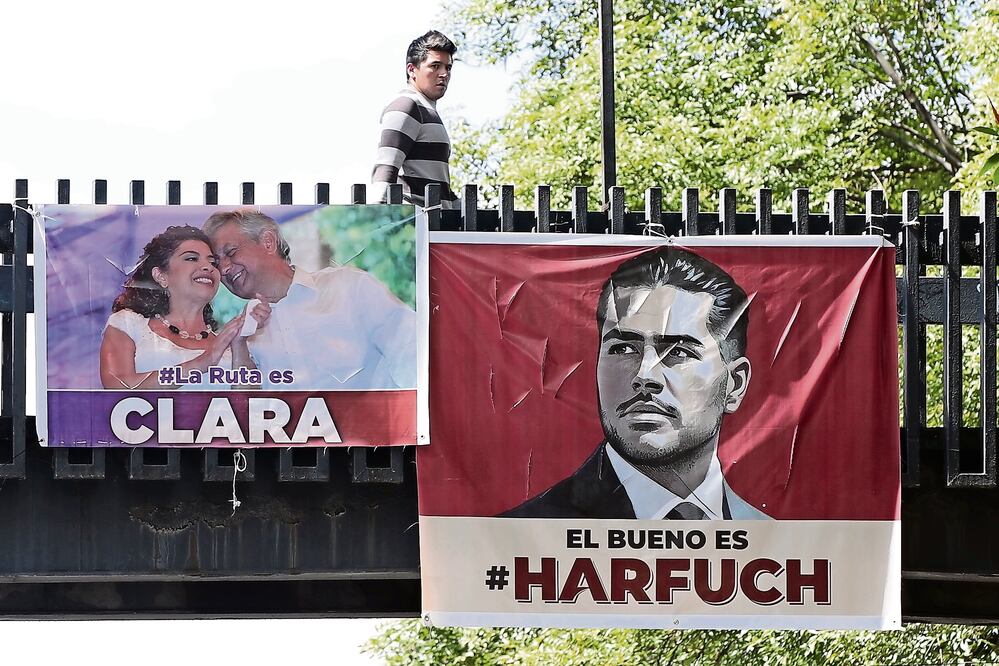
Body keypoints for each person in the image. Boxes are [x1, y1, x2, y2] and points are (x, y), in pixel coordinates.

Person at [503, 246, 771, 520]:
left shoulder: (777, 542)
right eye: (623, 349)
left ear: (734, 385)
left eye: (679, 352)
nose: (645, 375)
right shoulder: (523, 534)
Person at [203, 209, 416, 390]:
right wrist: (239, 345)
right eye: (216, 263)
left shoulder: (348, 287)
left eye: (231, 252)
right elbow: (245, 418)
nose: (224, 268)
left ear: (268, 242)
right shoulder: (240, 336)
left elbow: (412, 355)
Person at [99, 225, 266, 390]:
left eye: (213, 262)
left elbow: (248, 409)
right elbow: (117, 388)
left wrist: (238, 343)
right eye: (192, 258)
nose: (208, 267)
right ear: (161, 276)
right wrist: (205, 361)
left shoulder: (227, 344)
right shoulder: (128, 323)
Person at [371, 29, 460, 209]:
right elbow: (386, 167)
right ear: (412, 69)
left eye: (448, 67)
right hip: (413, 225)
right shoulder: (406, 105)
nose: (444, 73)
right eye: (435, 66)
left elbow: (440, 185)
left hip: (432, 225)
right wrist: (374, 219)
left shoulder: (426, 109)